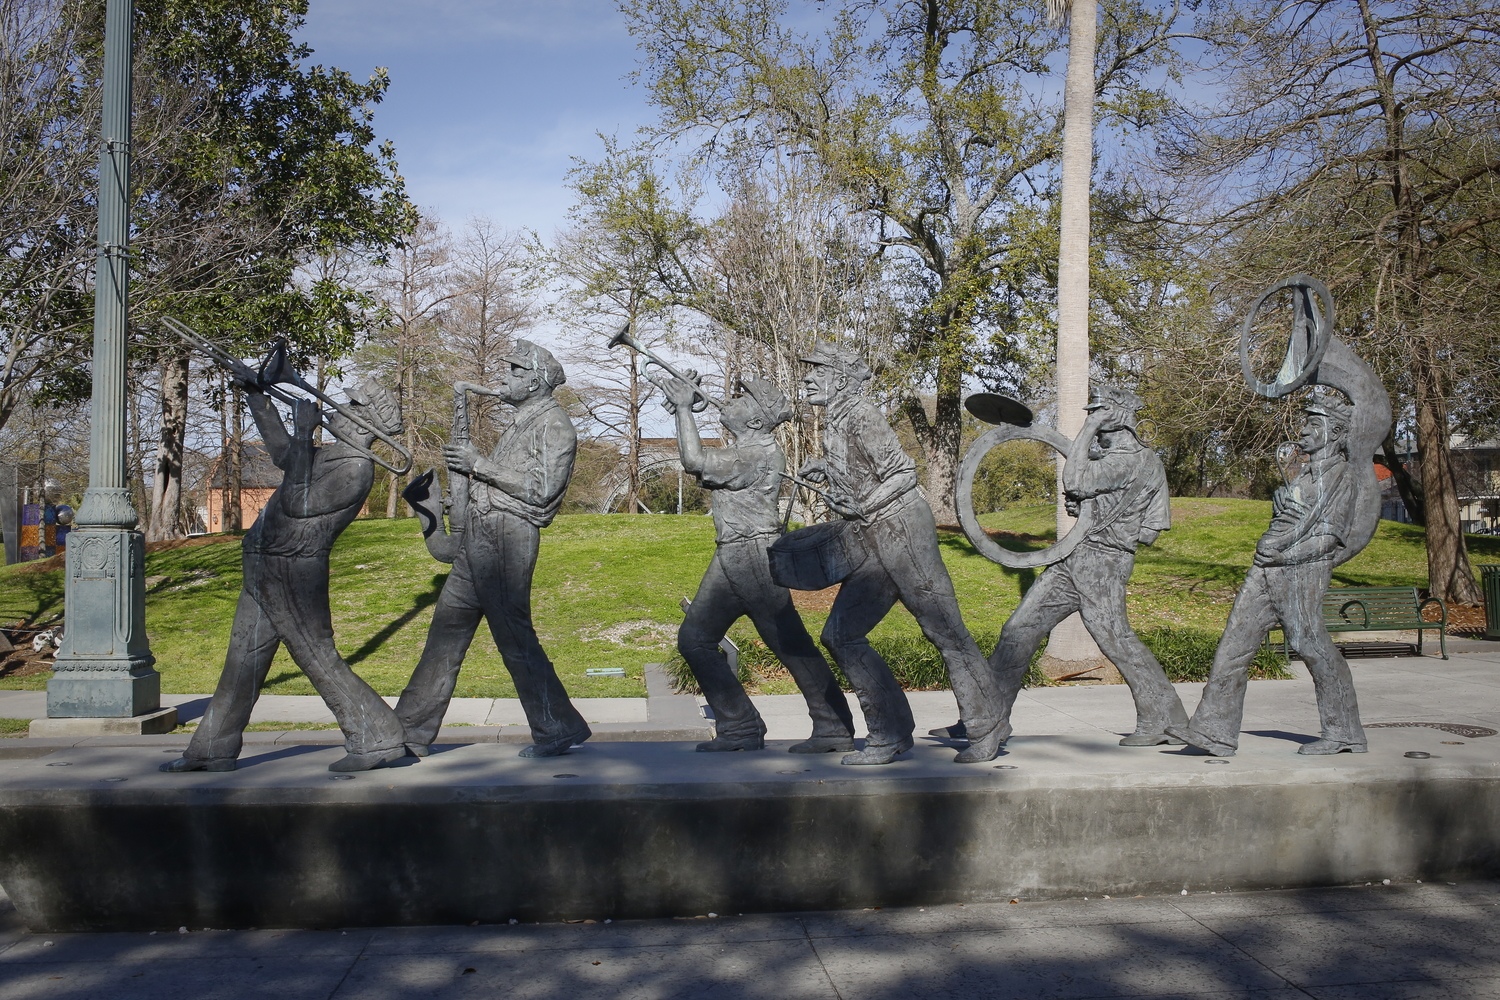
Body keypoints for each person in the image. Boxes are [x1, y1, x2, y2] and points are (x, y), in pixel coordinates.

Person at [164, 364, 407, 773]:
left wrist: (303, 432)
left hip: (293, 574)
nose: (340, 408)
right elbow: (282, 455)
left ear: (367, 422)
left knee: (317, 657)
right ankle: (211, 749)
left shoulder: (354, 468)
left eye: (351, 405)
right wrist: (257, 396)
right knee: (242, 662)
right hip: (267, 568)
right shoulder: (331, 454)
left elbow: (299, 502)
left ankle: (378, 736)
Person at [796, 341, 1004, 764]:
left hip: (903, 532)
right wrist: (828, 468)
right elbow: (861, 470)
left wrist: (862, 504)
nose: (807, 377)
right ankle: (891, 733)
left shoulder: (862, 414)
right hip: (874, 537)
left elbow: (902, 474)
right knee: (840, 634)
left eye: (816, 369)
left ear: (839, 376)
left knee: (946, 632)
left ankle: (986, 727)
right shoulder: (837, 418)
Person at [395, 340, 589, 759]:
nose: (505, 378)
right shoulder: (521, 423)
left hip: (507, 538)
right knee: (445, 635)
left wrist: (478, 464)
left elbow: (543, 491)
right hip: (480, 538)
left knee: (514, 637)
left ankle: (557, 726)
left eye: (515, 372)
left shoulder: (555, 425)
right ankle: (408, 732)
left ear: (535, 381)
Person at [964, 386, 1188, 747]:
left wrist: (1087, 432)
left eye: (1098, 412)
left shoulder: (1129, 460)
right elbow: (1126, 513)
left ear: (1118, 414)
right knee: (1019, 629)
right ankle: (985, 720)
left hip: (1104, 562)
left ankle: (1164, 718)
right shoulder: (1120, 459)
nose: (1091, 417)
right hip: (1076, 558)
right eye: (1090, 413)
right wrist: (1088, 510)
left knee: (1115, 639)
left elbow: (1075, 480)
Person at [660, 371, 855, 753]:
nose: (729, 399)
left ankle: (832, 726)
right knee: (695, 640)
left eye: (741, 398)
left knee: (789, 644)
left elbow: (694, 460)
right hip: (731, 554)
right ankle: (740, 726)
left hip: (753, 555)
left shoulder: (755, 453)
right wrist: (684, 412)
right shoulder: (748, 448)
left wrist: (684, 409)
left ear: (753, 421)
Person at [1168, 393, 1365, 756]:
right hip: (1266, 567)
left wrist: (1282, 552)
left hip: (1300, 571)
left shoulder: (1341, 477)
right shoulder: (1305, 473)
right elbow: (1293, 517)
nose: (1303, 431)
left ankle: (1344, 732)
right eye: (1304, 422)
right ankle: (1214, 731)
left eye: (1312, 424)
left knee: (1310, 645)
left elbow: (1328, 537)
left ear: (1335, 431)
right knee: (1233, 644)